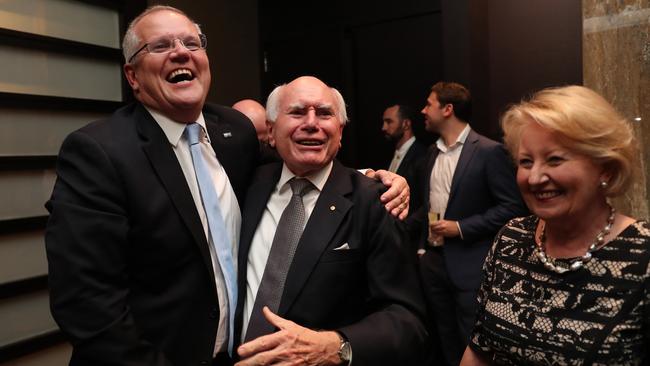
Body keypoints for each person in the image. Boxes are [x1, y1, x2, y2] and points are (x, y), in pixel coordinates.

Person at [45, 6, 409, 366]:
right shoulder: (98, 152)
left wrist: (371, 178)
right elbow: (85, 303)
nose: (181, 52)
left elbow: (299, 166)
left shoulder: (233, 133)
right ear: (133, 75)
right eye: (160, 46)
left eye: (192, 42)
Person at [233, 76, 428, 366]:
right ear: (271, 132)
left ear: (340, 132)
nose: (311, 123)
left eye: (324, 113)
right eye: (297, 112)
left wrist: (336, 345)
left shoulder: (375, 201)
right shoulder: (246, 185)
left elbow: (409, 322)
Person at [461, 85, 649, 365]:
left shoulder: (643, 257)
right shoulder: (511, 238)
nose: (534, 178)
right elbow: (479, 349)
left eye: (555, 159)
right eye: (526, 162)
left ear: (605, 168)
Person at [413, 81, 527, 366]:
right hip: (433, 263)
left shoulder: (489, 151)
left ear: (448, 109)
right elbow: (426, 207)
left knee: (471, 342)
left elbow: (512, 207)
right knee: (445, 340)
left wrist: (461, 227)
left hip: (471, 265)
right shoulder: (431, 153)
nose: (423, 110)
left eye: (429, 104)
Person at [382, 104, 427, 189]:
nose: (383, 127)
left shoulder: (422, 156)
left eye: (389, 122)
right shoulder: (389, 153)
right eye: (384, 122)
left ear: (406, 124)